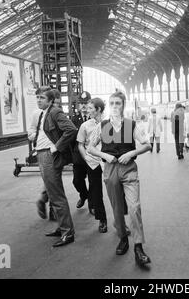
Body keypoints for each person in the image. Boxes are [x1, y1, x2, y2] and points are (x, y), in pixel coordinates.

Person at [87, 91, 152, 266]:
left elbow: (147, 145)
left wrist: (132, 152)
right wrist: (105, 156)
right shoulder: (103, 126)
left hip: (129, 169)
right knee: (117, 207)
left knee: (134, 207)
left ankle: (138, 247)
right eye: (112, 103)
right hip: (110, 169)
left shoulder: (132, 125)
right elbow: (90, 147)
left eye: (118, 103)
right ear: (109, 106)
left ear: (123, 105)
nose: (115, 106)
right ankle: (123, 237)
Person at [33, 86, 77, 247]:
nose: (38, 100)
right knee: (53, 195)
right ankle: (62, 227)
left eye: (42, 98)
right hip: (42, 154)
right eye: (37, 97)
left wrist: (56, 147)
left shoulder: (54, 112)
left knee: (57, 196)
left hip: (49, 156)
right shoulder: (44, 113)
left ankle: (68, 233)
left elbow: (71, 129)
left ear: (51, 100)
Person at [77, 98, 108, 233]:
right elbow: (80, 144)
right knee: (96, 191)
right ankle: (102, 220)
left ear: (98, 109)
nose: (87, 110)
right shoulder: (85, 126)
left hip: (108, 161)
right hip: (93, 162)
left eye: (90, 108)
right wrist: (86, 158)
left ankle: (121, 222)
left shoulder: (110, 123)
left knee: (116, 191)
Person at [71, 91, 94, 214]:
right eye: (81, 103)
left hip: (92, 155)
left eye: (86, 103)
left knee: (93, 182)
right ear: (78, 105)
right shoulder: (73, 119)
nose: (84, 106)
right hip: (78, 157)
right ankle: (84, 195)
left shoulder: (95, 119)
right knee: (77, 181)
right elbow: (70, 138)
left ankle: (92, 204)